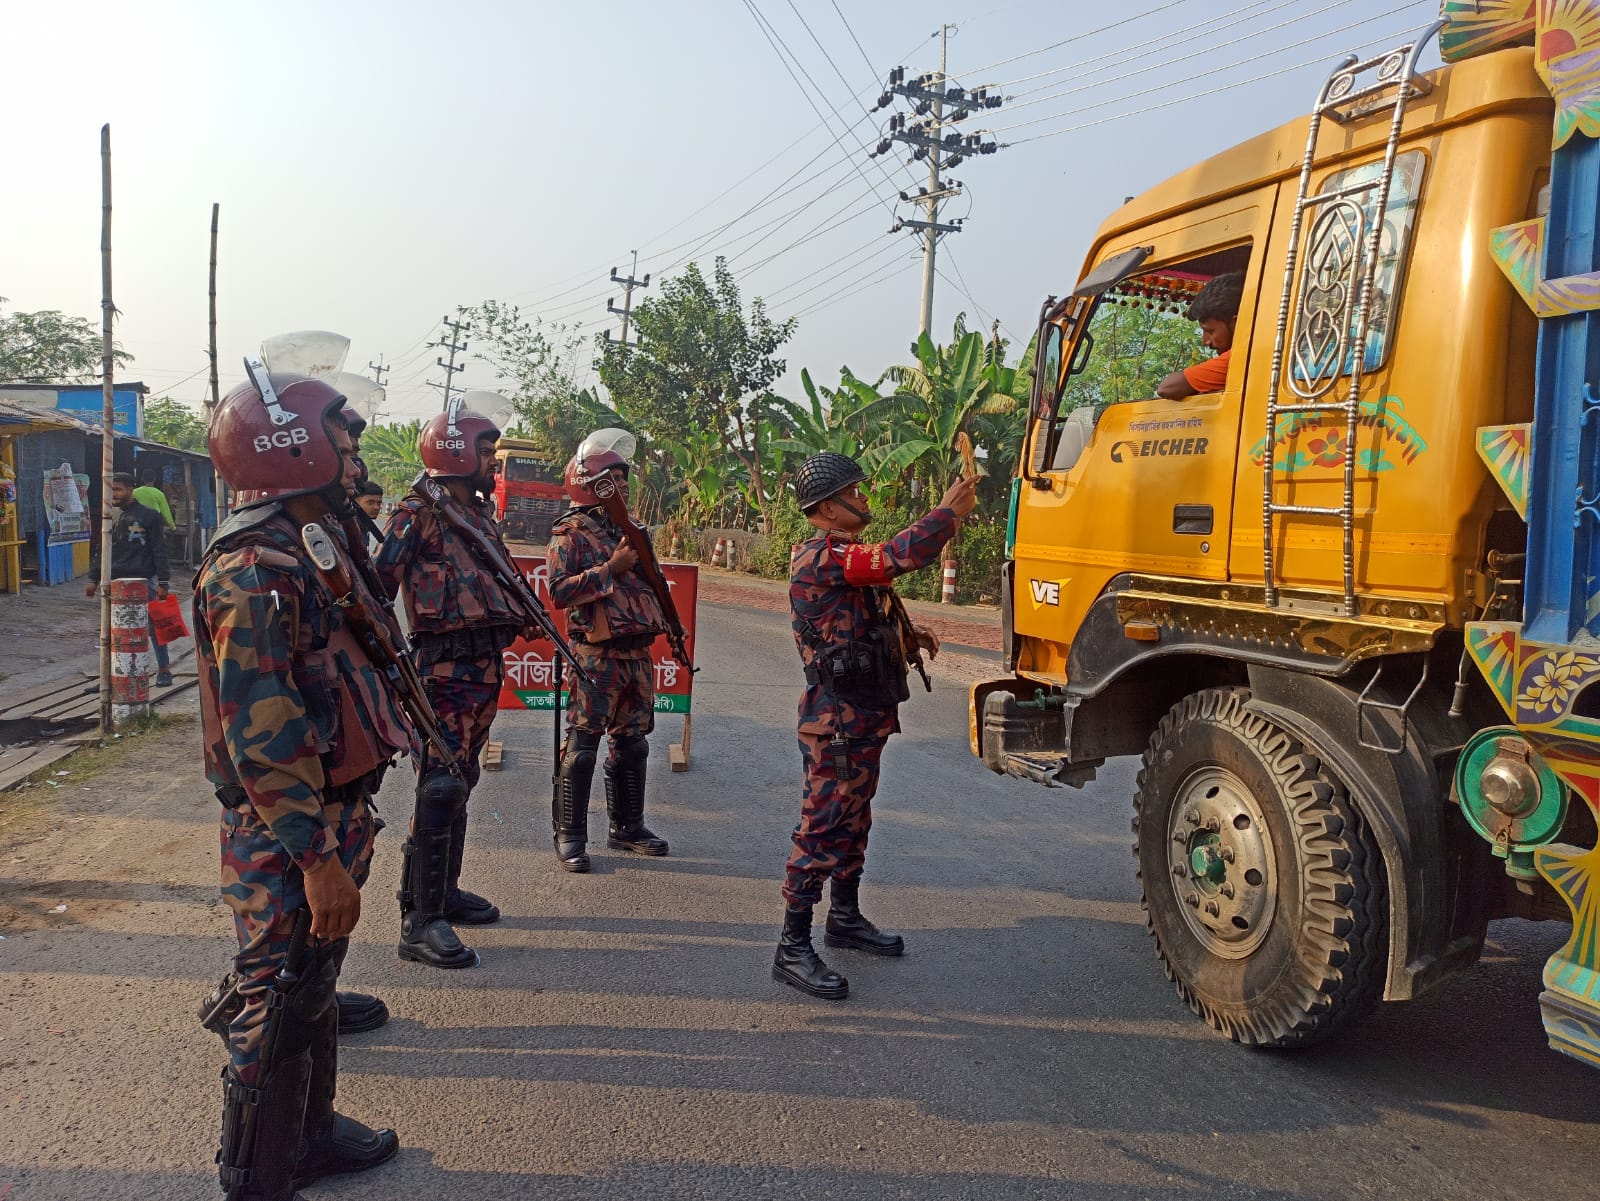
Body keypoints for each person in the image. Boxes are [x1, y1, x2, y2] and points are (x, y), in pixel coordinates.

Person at [195, 366, 402, 1200]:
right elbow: (264, 735)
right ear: (293, 448)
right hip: (287, 832)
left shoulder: (309, 543)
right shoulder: (253, 567)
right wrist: (317, 858)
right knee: (275, 1001)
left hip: (328, 813)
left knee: (312, 983)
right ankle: (256, 1173)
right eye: (341, 442)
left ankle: (308, 1135)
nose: (355, 460)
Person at [775, 453, 978, 1001]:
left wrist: (910, 637)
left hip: (863, 715)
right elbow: (893, 558)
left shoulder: (843, 554)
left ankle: (843, 917)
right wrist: (947, 512)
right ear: (827, 509)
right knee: (822, 828)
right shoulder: (822, 556)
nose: (864, 498)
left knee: (854, 820)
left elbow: (861, 620)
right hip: (836, 721)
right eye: (854, 493)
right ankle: (792, 946)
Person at [376, 404, 521, 969]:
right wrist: (393, 666)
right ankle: (418, 918)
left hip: (483, 671)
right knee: (438, 786)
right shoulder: (415, 515)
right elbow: (375, 592)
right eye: (486, 453)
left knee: (462, 779)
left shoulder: (478, 515)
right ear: (456, 454)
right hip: (440, 673)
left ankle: (445, 892)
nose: (493, 463)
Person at [545, 442, 670, 872]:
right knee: (583, 747)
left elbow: (655, 583)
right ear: (587, 485)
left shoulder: (630, 530)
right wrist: (610, 569)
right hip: (595, 657)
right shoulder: (570, 533)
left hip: (637, 653)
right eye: (611, 479)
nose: (622, 486)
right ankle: (571, 835)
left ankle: (628, 828)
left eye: (623, 478)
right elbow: (558, 591)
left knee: (633, 745)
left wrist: (671, 626)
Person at [87, 472, 174, 688]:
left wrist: (163, 582)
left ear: (130, 490)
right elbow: (101, 550)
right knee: (111, 630)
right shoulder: (110, 516)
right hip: (114, 581)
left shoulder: (150, 516)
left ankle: (164, 669)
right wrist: (93, 578)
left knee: (154, 626)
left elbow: (160, 549)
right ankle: (109, 676)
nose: (114, 494)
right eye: (111, 490)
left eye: (118, 489)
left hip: (142, 581)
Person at [1156, 270, 1245, 399]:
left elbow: (1168, 388)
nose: (1205, 341)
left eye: (1210, 331)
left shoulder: (1243, 358)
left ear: (1237, 323)